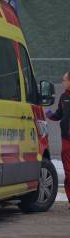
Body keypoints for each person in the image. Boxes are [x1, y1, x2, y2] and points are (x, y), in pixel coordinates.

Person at [46, 71, 70, 206]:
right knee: (68, 172)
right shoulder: (63, 97)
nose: (63, 82)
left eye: (64, 80)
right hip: (66, 140)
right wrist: (50, 115)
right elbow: (59, 115)